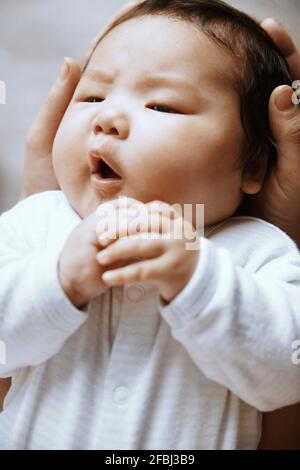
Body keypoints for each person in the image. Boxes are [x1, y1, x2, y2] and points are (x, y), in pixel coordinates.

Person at [1, 0, 300, 450]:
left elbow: (288, 375)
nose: (107, 119)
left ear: (253, 164)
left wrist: (200, 282)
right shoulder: (38, 224)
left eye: (161, 106)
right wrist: (58, 280)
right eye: (92, 97)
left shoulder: (259, 252)